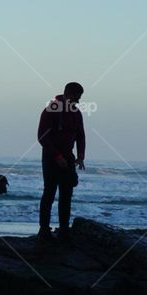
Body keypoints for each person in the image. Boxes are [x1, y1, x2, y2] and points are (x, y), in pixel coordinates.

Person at [37, 82, 86, 239]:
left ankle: (64, 229)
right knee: (49, 193)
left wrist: (80, 156)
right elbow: (42, 137)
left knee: (66, 194)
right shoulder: (51, 110)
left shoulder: (76, 113)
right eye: (75, 98)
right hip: (51, 157)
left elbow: (81, 136)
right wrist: (57, 156)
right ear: (66, 94)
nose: (77, 102)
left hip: (69, 157)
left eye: (79, 99)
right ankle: (44, 229)